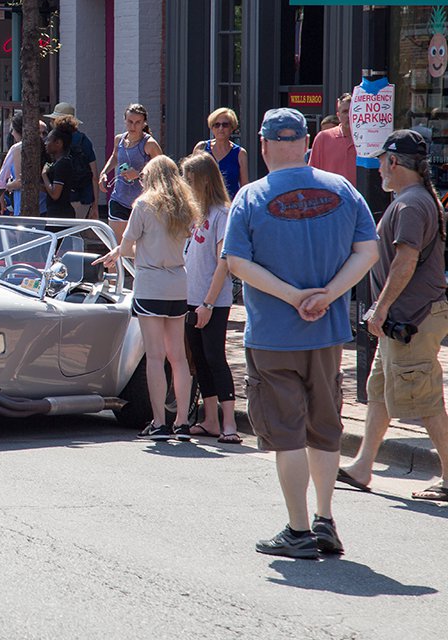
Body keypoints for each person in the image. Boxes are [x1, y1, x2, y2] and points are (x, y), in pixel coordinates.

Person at [224, 107, 377, 559]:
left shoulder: (250, 197)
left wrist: (293, 297)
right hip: (327, 333)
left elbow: (236, 262)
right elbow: (366, 252)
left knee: (287, 432)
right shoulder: (343, 190)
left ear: (264, 146)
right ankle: (325, 520)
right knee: (325, 428)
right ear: (307, 144)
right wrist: (326, 294)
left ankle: (297, 530)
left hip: (274, 334)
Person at [338, 130, 448, 502]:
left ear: (394, 161)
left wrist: (380, 308)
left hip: (411, 320)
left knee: (425, 398)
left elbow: (405, 261)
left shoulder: (411, 205)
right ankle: (363, 465)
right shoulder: (413, 200)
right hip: (404, 321)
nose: (379, 167)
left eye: (382, 160)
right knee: (380, 392)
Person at [96, 155, 198, 441]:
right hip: (178, 280)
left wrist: (127, 250)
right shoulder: (184, 206)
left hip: (151, 282)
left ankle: (159, 421)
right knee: (178, 356)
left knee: (155, 356)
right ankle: (182, 420)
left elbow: (127, 247)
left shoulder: (143, 204)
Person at [180, 153, 239, 443]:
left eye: (189, 179)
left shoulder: (221, 213)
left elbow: (223, 262)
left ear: (204, 180)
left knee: (216, 357)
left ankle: (230, 423)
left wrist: (208, 303)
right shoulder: (195, 213)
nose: (185, 184)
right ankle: (211, 419)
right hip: (190, 298)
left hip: (212, 300)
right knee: (200, 360)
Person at [98, 104, 162, 241]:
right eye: (130, 122)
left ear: (144, 123)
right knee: (117, 246)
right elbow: (115, 157)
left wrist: (139, 174)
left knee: (137, 247)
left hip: (142, 202)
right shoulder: (119, 139)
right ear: (125, 121)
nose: (133, 126)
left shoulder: (149, 144)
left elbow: (162, 170)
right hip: (119, 198)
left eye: (138, 122)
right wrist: (104, 172)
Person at [47, 103, 99, 218]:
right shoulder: (83, 140)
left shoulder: (55, 143)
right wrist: (95, 204)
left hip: (59, 197)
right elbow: (94, 175)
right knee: (75, 232)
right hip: (82, 197)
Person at [193, 107, 249, 199]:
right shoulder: (201, 148)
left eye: (225, 125)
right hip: (204, 205)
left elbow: (244, 186)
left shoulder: (240, 153)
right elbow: (193, 179)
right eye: (216, 125)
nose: (221, 128)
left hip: (229, 205)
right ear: (212, 127)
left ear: (232, 128)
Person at [0, 114, 47, 215]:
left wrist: (8, 186)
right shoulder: (44, 145)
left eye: (12, 129)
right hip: (43, 203)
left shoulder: (17, 148)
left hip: (24, 202)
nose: (11, 133)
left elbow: (20, 181)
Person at [308, 93, 356, 181]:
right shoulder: (323, 138)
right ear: (338, 115)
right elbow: (312, 174)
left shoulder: (367, 141)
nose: (349, 115)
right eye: (345, 111)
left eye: (353, 111)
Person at [41, 119, 77, 219]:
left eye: (48, 140)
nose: (45, 143)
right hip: (55, 213)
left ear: (59, 143)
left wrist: (44, 175)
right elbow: (51, 189)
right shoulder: (58, 162)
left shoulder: (63, 164)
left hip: (60, 215)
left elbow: (55, 194)